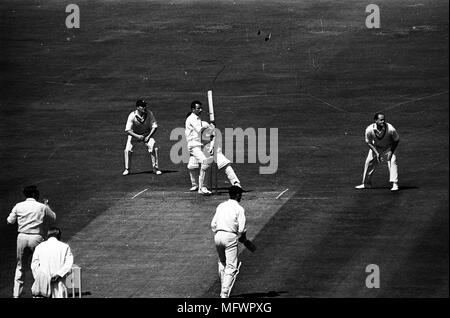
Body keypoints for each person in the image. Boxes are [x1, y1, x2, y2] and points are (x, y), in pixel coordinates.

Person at [6, 185, 56, 298]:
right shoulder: (41, 206)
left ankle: (16, 295)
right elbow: (53, 217)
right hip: (36, 237)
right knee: (39, 265)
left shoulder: (18, 206)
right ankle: (40, 292)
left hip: (22, 237)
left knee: (20, 266)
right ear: (34, 194)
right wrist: (46, 205)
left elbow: (9, 221)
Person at [211, 185, 246, 298]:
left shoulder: (221, 206)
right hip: (230, 237)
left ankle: (223, 287)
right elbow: (241, 229)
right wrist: (243, 237)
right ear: (237, 195)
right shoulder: (239, 209)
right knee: (231, 266)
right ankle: (225, 292)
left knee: (222, 262)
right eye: (240, 194)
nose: (241, 197)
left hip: (218, 236)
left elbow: (213, 224)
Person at [355, 113, 400, 191]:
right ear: (375, 120)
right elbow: (368, 142)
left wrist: (391, 151)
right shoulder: (369, 129)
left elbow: (396, 140)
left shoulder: (390, 128)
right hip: (376, 147)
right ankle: (366, 184)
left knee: (392, 161)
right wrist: (376, 153)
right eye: (381, 120)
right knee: (369, 162)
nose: (383, 121)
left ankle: (395, 184)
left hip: (389, 147)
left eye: (384, 120)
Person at [187, 127, 241, 192]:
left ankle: (236, 183)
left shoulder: (210, 132)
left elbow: (212, 139)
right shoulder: (194, 134)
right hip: (200, 150)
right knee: (192, 165)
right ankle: (196, 185)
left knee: (224, 164)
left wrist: (212, 147)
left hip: (215, 151)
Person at [31, 227, 74, 298]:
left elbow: (34, 264)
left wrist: (40, 278)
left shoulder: (40, 246)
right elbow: (68, 263)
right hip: (58, 283)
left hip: (43, 284)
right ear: (59, 235)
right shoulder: (65, 247)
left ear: (48, 235)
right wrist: (59, 274)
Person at [123, 99, 162, 176]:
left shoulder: (149, 113)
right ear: (137, 107)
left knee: (153, 147)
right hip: (134, 135)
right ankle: (127, 169)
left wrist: (148, 136)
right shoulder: (132, 115)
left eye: (145, 106)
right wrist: (137, 136)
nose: (144, 107)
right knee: (127, 150)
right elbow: (127, 130)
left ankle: (156, 168)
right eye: (142, 106)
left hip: (147, 134)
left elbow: (154, 127)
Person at [185, 100, 216, 195]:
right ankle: (202, 187)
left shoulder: (197, 118)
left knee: (196, 165)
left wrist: (210, 127)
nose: (201, 110)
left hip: (198, 145)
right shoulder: (192, 118)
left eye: (201, 108)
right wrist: (211, 126)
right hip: (193, 145)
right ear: (193, 109)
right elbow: (200, 129)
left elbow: (202, 126)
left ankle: (200, 186)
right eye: (198, 108)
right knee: (205, 163)